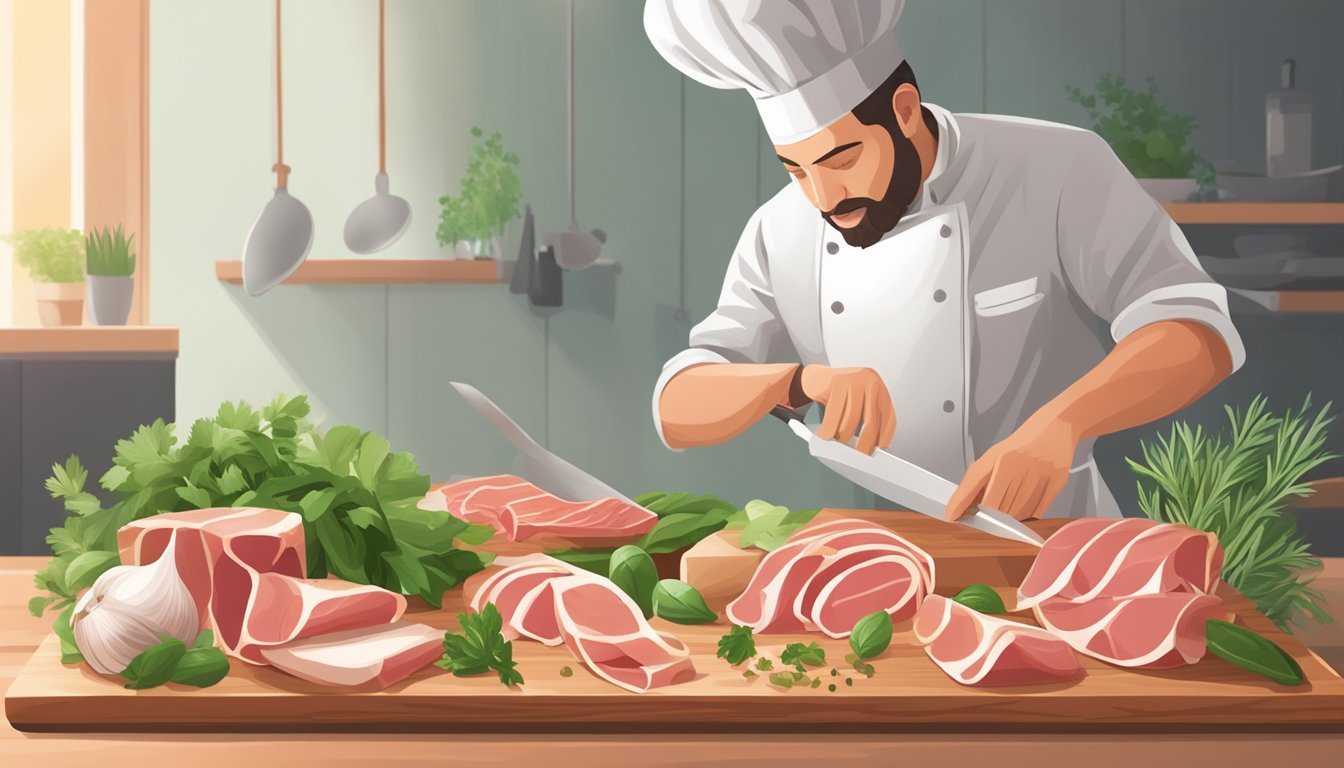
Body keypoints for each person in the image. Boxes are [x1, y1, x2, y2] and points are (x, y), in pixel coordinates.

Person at [643, 0, 1243, 522]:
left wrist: (1062, 424)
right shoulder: (780, 229)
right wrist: (798, 380)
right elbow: (678, 406)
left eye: (842, 158)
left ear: (904, 109)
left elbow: (1195, 332)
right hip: (893, 549)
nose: (825, 198)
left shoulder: (1057, 168)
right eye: (796, 169)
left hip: (1058, 533)